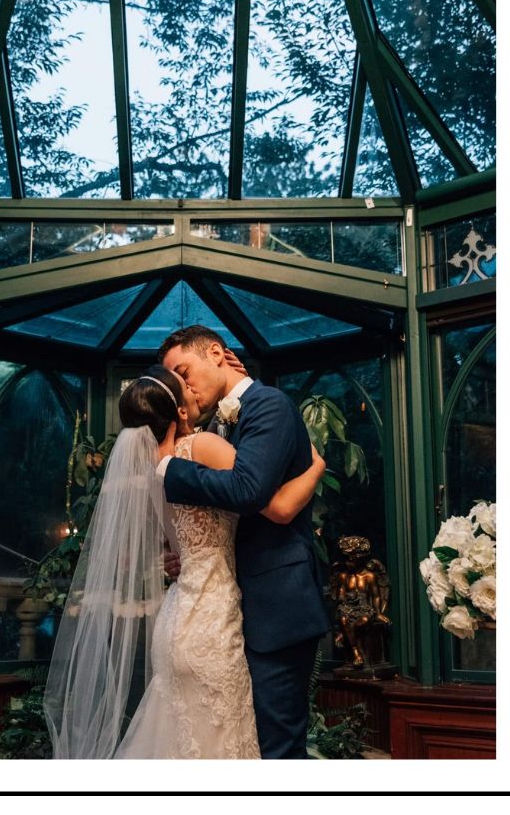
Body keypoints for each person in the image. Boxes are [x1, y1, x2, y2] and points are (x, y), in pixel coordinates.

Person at [44, 364, 325, 759]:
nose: (193, 389)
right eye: (184, 384)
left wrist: (175, 557)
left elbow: (174, 541)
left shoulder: (150, 472)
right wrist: (315, 467)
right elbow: (269, 501)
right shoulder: (202, 448)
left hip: (176, 617)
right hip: (211, 620)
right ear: (177, 411)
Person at [158, 325, 331, 759]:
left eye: (184, 371)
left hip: (276, 606)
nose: (184, 386)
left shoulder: (268, 405)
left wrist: (168, 469)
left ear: (216, 353)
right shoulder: (217, 421)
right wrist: (193, 553)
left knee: (276, 749)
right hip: (227, 612)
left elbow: (250, 492)